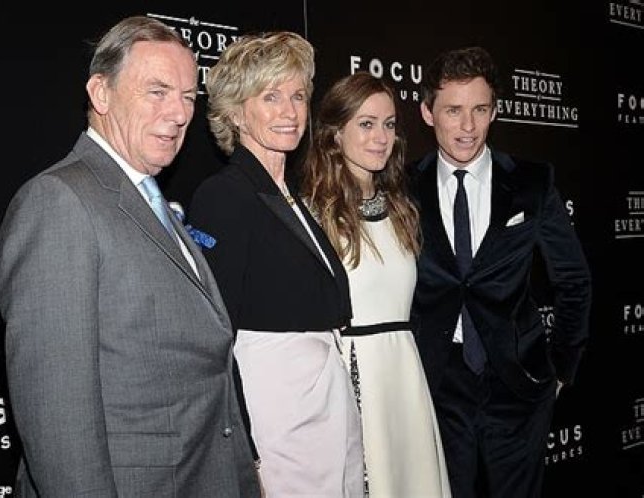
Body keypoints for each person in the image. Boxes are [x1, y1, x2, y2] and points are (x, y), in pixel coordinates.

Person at [0, 16, 260, 497]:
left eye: (188, 97)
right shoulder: (59, 202)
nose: (179, 113)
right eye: (157, 91)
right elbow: (57, 414)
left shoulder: (149, 199)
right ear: (101, 93)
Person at [187, 32, 365, 497]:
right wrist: (245, 447)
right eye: (271, 97)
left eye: (298, 96)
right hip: (276, 411)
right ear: (235, 112)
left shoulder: (291, 197)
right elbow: (214, 334)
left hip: (323, 404)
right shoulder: (223, 197)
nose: (290, 111)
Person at [411, 46, 592, 498]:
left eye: (480, 110)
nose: (468, 127)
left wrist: (561, 369)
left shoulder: (532, 182)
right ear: (428, 113)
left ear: (494, 111)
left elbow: (573, 279)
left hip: (518, 382)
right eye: (453, 110)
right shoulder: (402, 187)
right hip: (438, 385)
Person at [300, 71, 451, 498]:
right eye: (366, 124)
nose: (381, 137)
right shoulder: (314, 216)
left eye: (388, 124)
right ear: (335, 134)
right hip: (354, 377)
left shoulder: (403, 209)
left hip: (406, 373)